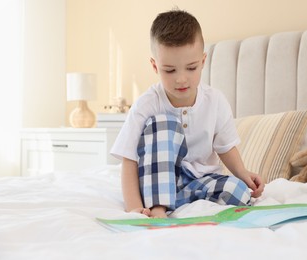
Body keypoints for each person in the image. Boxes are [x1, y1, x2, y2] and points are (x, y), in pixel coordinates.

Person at [111, 9, 264, 218]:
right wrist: (133, 207)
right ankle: (158, 208)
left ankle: (174, 203)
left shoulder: (215, 101)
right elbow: (129, 160)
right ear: (155, 66)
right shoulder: (147, 104)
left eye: (191, 68)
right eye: (170, 70)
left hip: (198, 182)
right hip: (156, 181)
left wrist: (243, 174)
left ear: (202, 61)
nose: (181, 79)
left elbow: (226, 147)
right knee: (165, 123)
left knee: (238, 192)